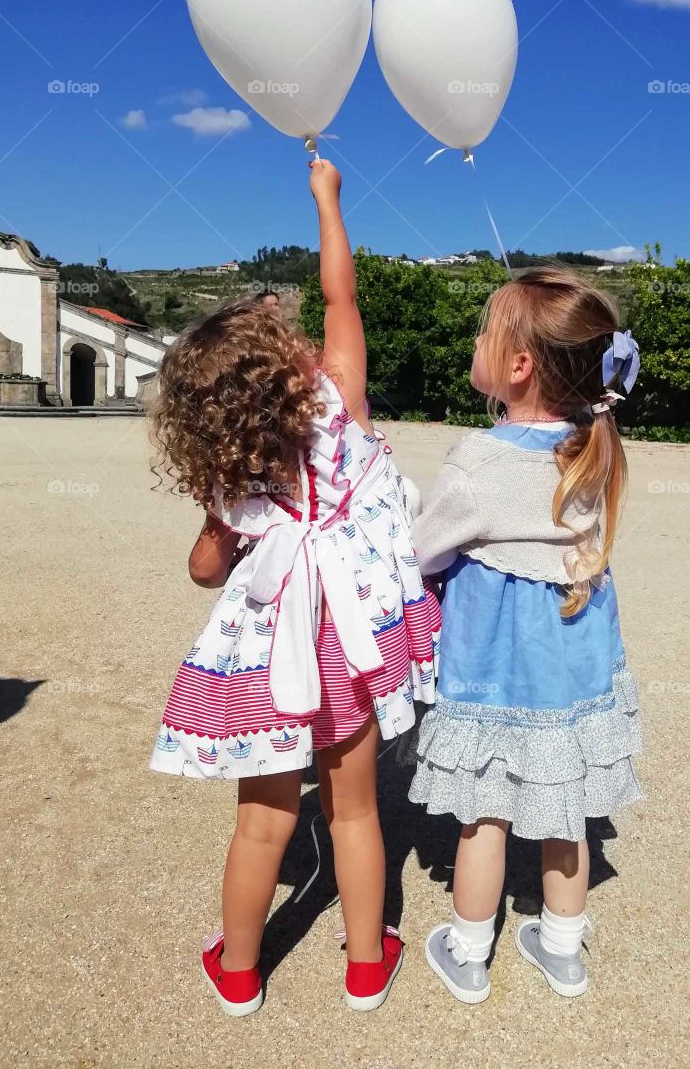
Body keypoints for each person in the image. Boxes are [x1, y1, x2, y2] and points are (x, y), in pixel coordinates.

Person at [149, 159, 440, 1015]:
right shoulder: (341, 406)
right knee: (354, 814)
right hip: (349, 649)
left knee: (262, 822)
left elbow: (204, 571)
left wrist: (229, 530)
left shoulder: (234, 477)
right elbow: (342, 299)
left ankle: (239, 972)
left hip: (267, 660)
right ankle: (363, 966)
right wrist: (328, 199)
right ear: (292, 370)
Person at [408, 268, 643, 1003]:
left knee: (488, 805)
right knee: (563, 797)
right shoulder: (592, 444)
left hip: (495, 662)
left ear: (517, 367)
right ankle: (563, 949)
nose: (475, 340)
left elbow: (421, 551)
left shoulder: (479, 460)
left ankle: (470, 951)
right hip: (573, 657)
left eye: (486, 331)